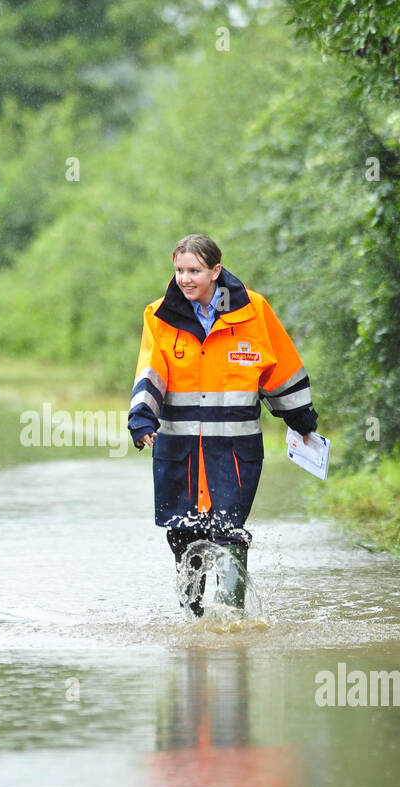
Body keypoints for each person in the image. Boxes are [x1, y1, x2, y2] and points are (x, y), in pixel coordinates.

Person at [128, 234, 318, 615]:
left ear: (215, 271)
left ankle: (230, 621)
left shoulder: (253, 311)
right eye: (180, 270)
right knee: (183, 531)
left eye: (194, 270)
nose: (185, 278)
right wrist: (142, 416)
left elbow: (280, 369)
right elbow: (152, 370)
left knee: (228, 531)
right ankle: (194, 621)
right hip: (179, 451)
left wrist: (300, 419)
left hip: (234, 452)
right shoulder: (160, 315)